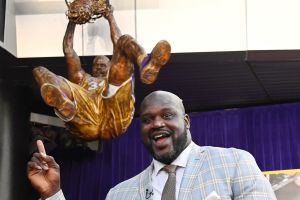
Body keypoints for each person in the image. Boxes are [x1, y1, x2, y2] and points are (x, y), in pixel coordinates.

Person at [27, 90, 277, 199]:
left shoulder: (234, 162)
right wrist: (52, 194)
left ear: (186, 121)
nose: (157, 123)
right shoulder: (120, 194)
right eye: (147, 120)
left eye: (167, 116)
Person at [32, 7, 171, 140]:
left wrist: (110, 16)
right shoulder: (82, 78)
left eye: (102, 65)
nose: (98, 67)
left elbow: (118, 42)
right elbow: (68, 50)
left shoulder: (113, 77)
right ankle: (64, 105)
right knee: (39, 71)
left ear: (111, 66)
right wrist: (72, 20)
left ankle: (145, 63)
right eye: (96, 65)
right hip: (86, 118)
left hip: (114, 115)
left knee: (123, 41)